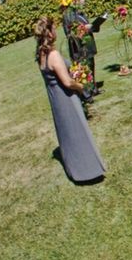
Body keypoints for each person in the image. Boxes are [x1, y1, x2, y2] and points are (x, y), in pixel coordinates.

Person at [34, 16, 106, 183]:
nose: (56, 31)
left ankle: (75, 165)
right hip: (66, 97)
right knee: (77, 129)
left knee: (67, 131)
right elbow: (67, 82)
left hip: (55, 99)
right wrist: (81, 87)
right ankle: (88, 170)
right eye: (54, 29)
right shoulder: (53, 55)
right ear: (49, 33)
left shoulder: (40, 54)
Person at [61, 0, 100, 95]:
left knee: (91, 66)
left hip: (88, 44)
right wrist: (83, 29)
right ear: (76, 2)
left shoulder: (81, 13)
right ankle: (86, 92)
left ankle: (93, 88)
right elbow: (69, 33)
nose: (83, 5)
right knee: (83, 69)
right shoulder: (68, 15)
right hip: (79, 47)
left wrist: (94, 26)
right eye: (82, 3)